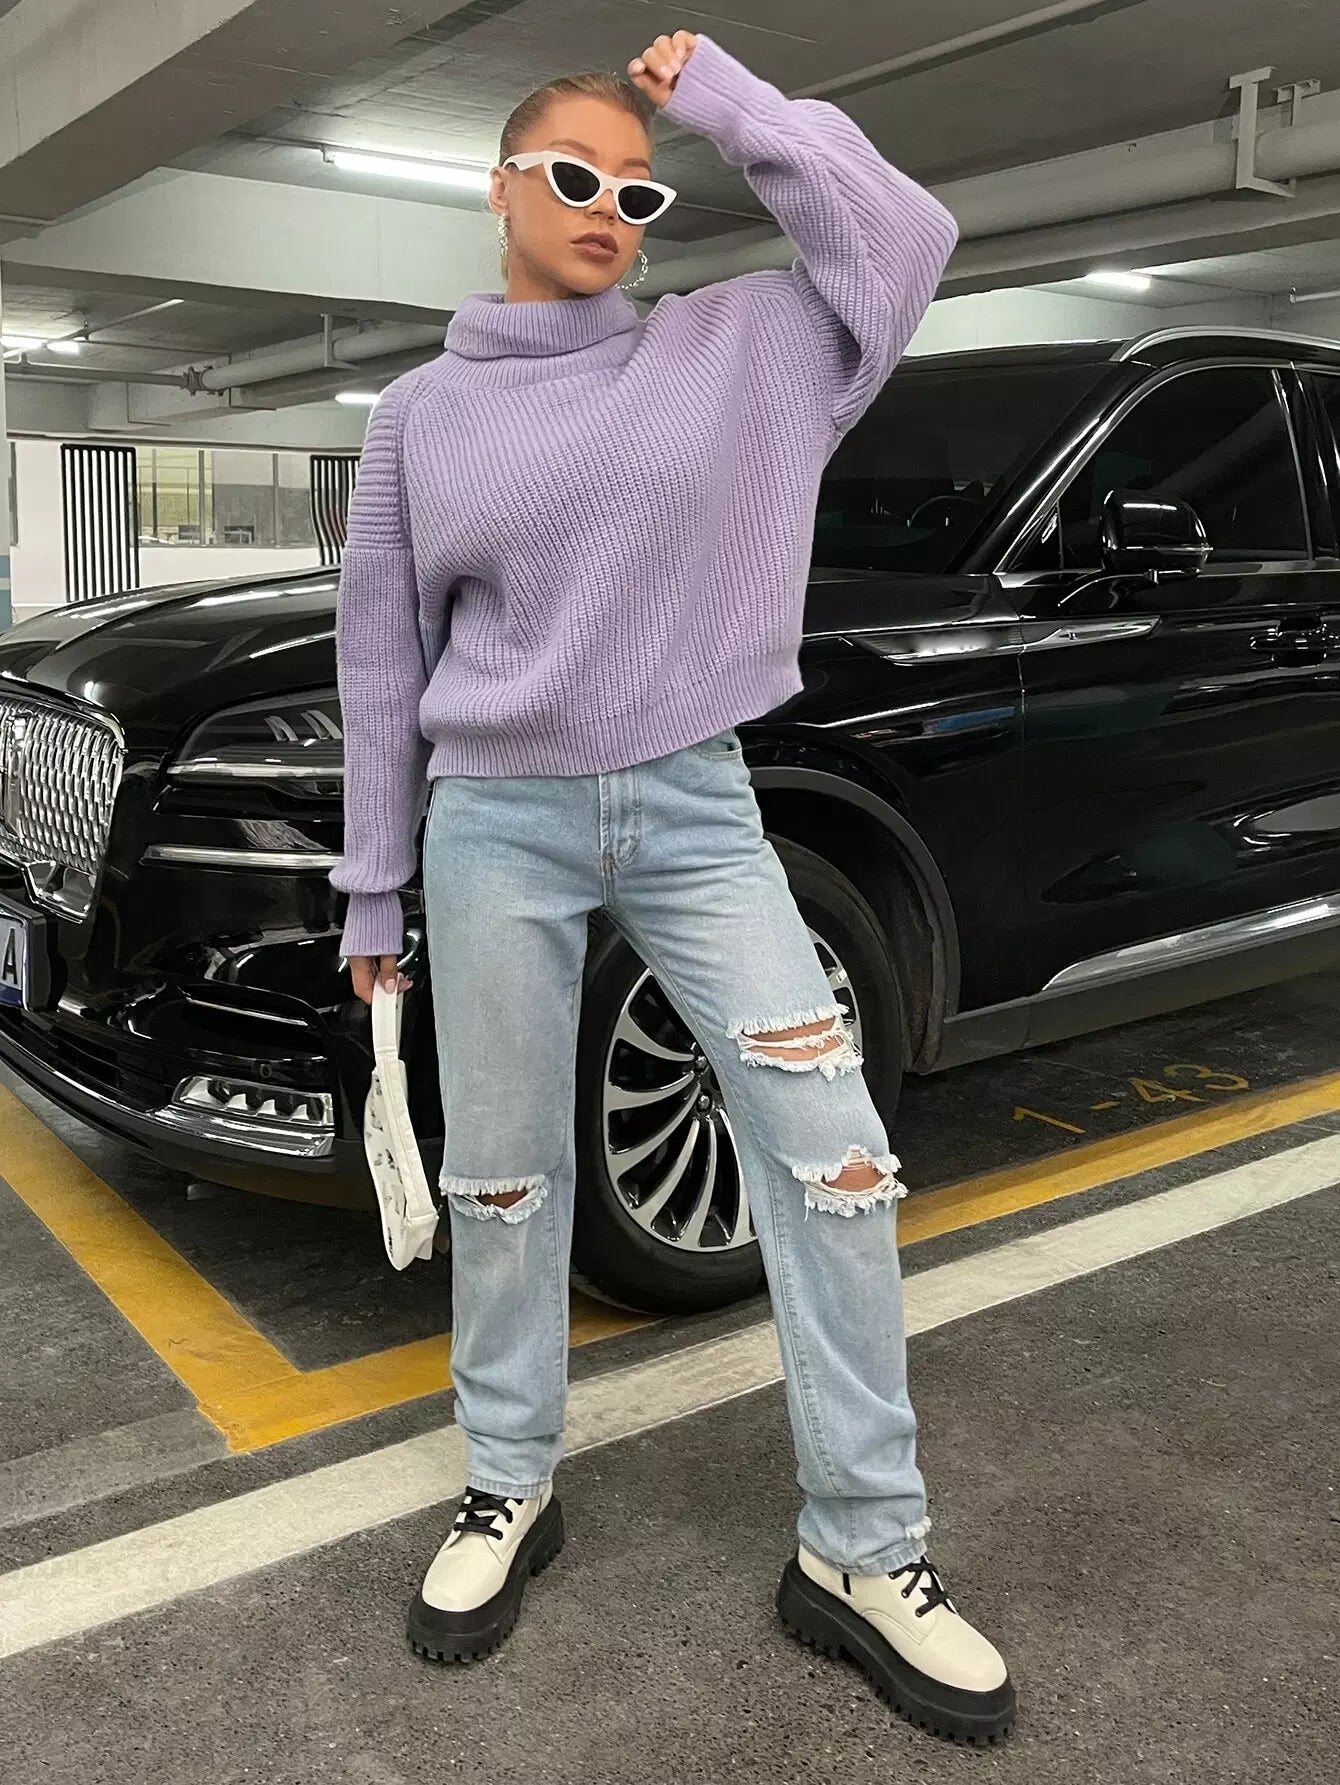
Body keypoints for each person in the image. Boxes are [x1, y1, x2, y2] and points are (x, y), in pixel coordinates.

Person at [332, 27, 1014, 1745]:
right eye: (574, 176)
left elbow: (907, 239)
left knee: (835, 1157)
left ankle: (864, 1544)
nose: (609, 208)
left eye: (637, 192)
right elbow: (381, 662)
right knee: (503, 1175)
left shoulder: (747, 346)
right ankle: (507, 1481)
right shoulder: (418, 418)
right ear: (499, 189)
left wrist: (726, 101)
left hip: (700, 808)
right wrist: (372, 892)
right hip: (497, 817)